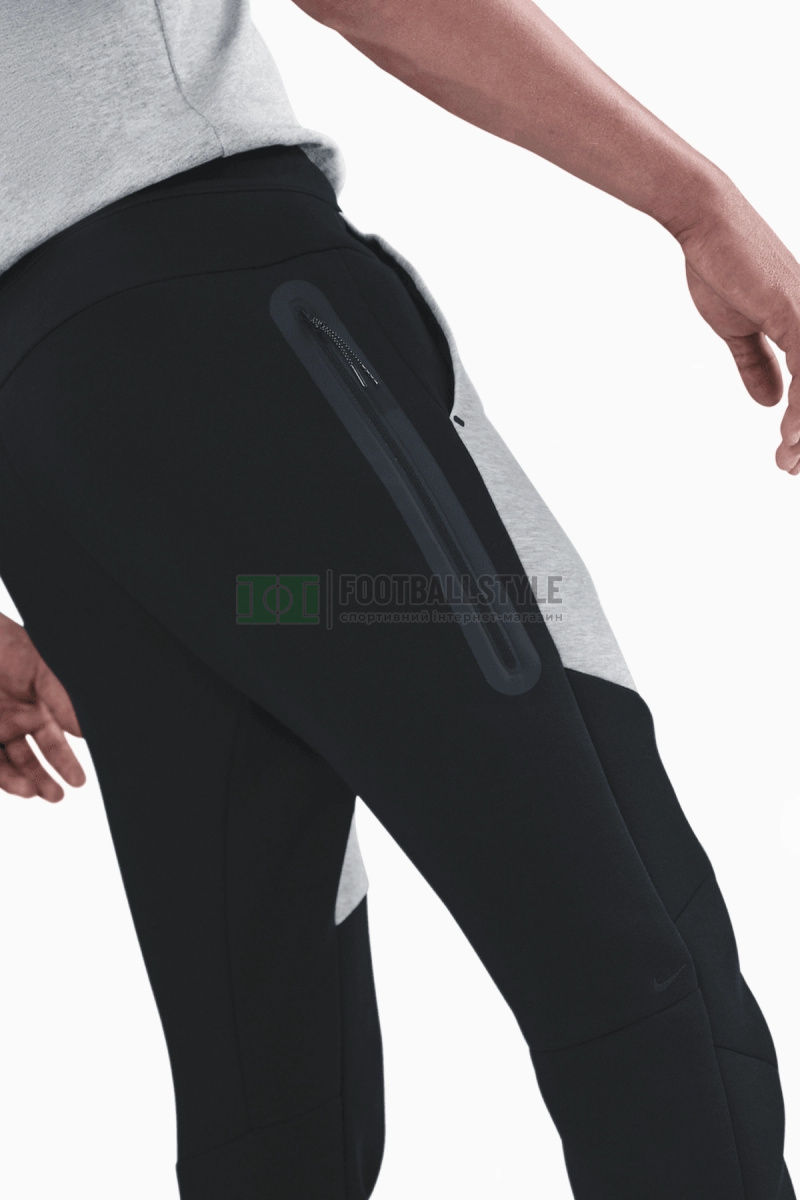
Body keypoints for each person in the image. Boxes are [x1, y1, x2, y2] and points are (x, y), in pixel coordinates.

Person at [0, 0, 797, 1197]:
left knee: (271, 1108)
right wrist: (697, 203)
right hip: (239, 341)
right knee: (634, 972)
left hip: (48, 457)